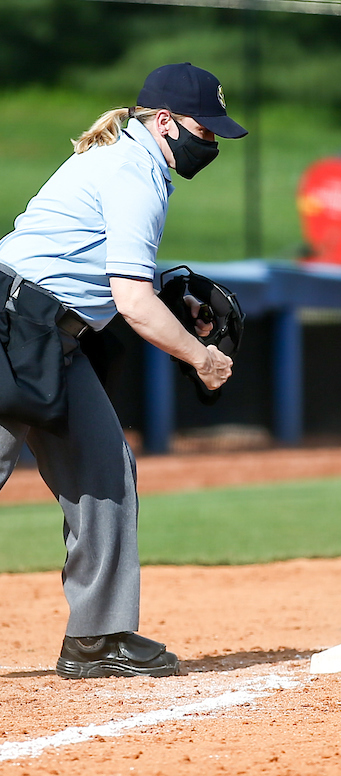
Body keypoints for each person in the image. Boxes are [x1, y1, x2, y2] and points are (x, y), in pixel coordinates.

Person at [0, 62, 246, 678]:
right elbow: (132, 303)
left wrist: (172, 295)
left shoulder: (134, 162)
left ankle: (97, 637)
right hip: (13, 326)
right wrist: (202, 357)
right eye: (203, 129)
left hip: (50, 335)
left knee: (104, 468)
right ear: (163, 121)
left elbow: (111, 272)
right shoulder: (132, 171)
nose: (210, 143)